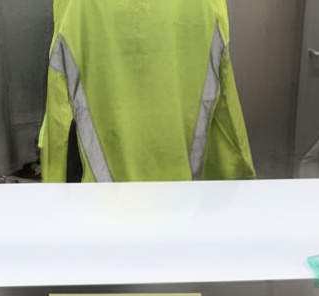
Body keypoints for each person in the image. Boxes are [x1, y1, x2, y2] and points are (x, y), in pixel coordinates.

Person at [38, 0, 256, 182]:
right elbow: (225, 99)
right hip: (184, 201)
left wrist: (53, 188)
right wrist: (239, 181)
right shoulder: (208, 4)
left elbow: (57, 107)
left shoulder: (73, 5)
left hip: (105, 205)